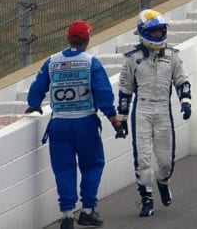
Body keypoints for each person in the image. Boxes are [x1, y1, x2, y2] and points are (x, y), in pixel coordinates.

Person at [26, 20, 127, 229]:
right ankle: (88, 210)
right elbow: (103, 93)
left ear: (67, 38)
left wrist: (33, 104)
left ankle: (67, 215)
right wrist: (114, 120)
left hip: (59, 124)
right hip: (85, 122)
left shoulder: (52, 62)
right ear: (87, 40)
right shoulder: (91, 62)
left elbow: (38, 86)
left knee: (63, 169)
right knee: (93, 165)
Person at [117, 9, 192, 217]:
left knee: (166, 161)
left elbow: (182, 80)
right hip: (141, 110)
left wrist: (186, 102)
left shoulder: (173, 55)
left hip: (163, 110)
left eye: (161, 31)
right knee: (143, 159)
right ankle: (146, 198)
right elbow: (125, 90)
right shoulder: (132, 59)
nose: (159, 35)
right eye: (155, 31)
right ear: (143, 32)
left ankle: (163, 181)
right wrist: (121, 119)